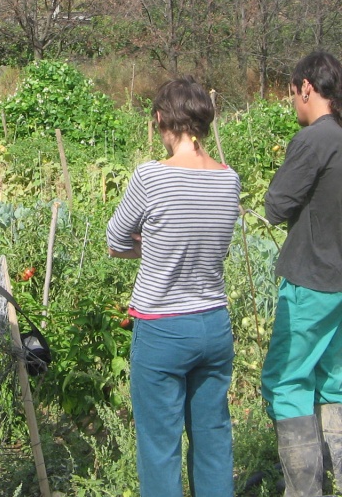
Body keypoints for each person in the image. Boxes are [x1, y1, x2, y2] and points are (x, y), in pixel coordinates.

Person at [106, 76, 241, 497]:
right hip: (214, 324)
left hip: (163, 325)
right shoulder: (228, 179)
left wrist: (153, 249)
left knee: (160, 445)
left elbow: (115, 240)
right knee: (213, 438)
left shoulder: (151, 177)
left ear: (161, 119)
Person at [261, 52, 342, 497]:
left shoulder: (315, 139)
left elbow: (277, 206)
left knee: (287, 381)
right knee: (334, 381)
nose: (293, 102)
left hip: (313, 277)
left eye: (293, 93)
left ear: (307, 87)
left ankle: (305, 491)